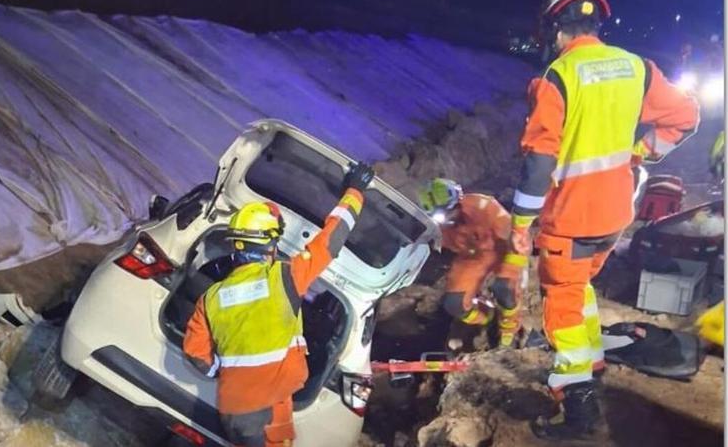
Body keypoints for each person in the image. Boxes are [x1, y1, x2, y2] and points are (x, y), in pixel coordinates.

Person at [509, 0, 700, 440]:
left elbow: (539, 162)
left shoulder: (560, 76)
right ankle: (590, 361)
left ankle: (578, 407)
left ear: (558, 30)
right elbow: (686, 117)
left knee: (563, 308)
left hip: (571, 221)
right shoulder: (637, 68)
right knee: (582, 287)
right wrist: (642, 152)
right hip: (616, 215)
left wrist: (520, 224)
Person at [183, 161, 375, 447]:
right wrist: (355, 191)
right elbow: (330, 241)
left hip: (234, 410)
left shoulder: (211, 298)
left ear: (236, 246)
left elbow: (196, 354)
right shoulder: (284, 278)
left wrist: (229, 371)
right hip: (268, 409)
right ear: (271, 246)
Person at [418, 178, 526, 347]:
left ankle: (509, 327)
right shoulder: (441, 228)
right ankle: (489, 317)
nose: (448, 219)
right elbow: (440, 245)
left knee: (504, 289)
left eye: (449, 211)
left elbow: (515, 237)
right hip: (472, 257)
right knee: (454, 304)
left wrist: (512, 268)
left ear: (457, 202)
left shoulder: (484, 207)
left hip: (504, 248)